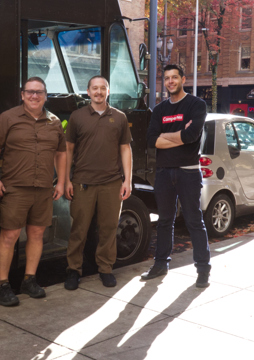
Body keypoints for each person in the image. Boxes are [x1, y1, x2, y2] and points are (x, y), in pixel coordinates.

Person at [0, 77, 66, 306]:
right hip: (15, 188)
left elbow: (61, 153)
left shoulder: (54, 122)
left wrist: (60, 182)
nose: (34, 96)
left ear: (45, 95)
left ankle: (29, 280)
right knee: (10, 236)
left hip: (43, 188)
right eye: (30, 92)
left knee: (36, 235)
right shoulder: (7, 118)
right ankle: (2, 285)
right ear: (22, 95)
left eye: (39, 92)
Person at [143, 64, 211, 287]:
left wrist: (168, 136)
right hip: (163, 172)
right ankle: (160, 264)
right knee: (164, 221)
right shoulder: (160, 109)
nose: (171, 81)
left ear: (183, 79)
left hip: (188, 173)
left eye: (175, 77)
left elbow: (192, 136)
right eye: (167, 78)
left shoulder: (196, 104)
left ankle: (203, 270)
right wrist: (179, 135)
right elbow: (152, 140)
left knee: (194, 221)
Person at [64, 76, 132, 290]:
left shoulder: (119, 117)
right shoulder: (77, 117)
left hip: (111, 183)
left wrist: (127, 180)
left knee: (109, 228)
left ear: (108, 91)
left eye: (103, 88)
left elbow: (125, 149)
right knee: (79, 229)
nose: (99, 92)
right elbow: (68, 149)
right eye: (95, 88)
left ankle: (105, 269)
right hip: (83, 182)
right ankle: (73, 270)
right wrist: (66, 179)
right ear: (88, 91)